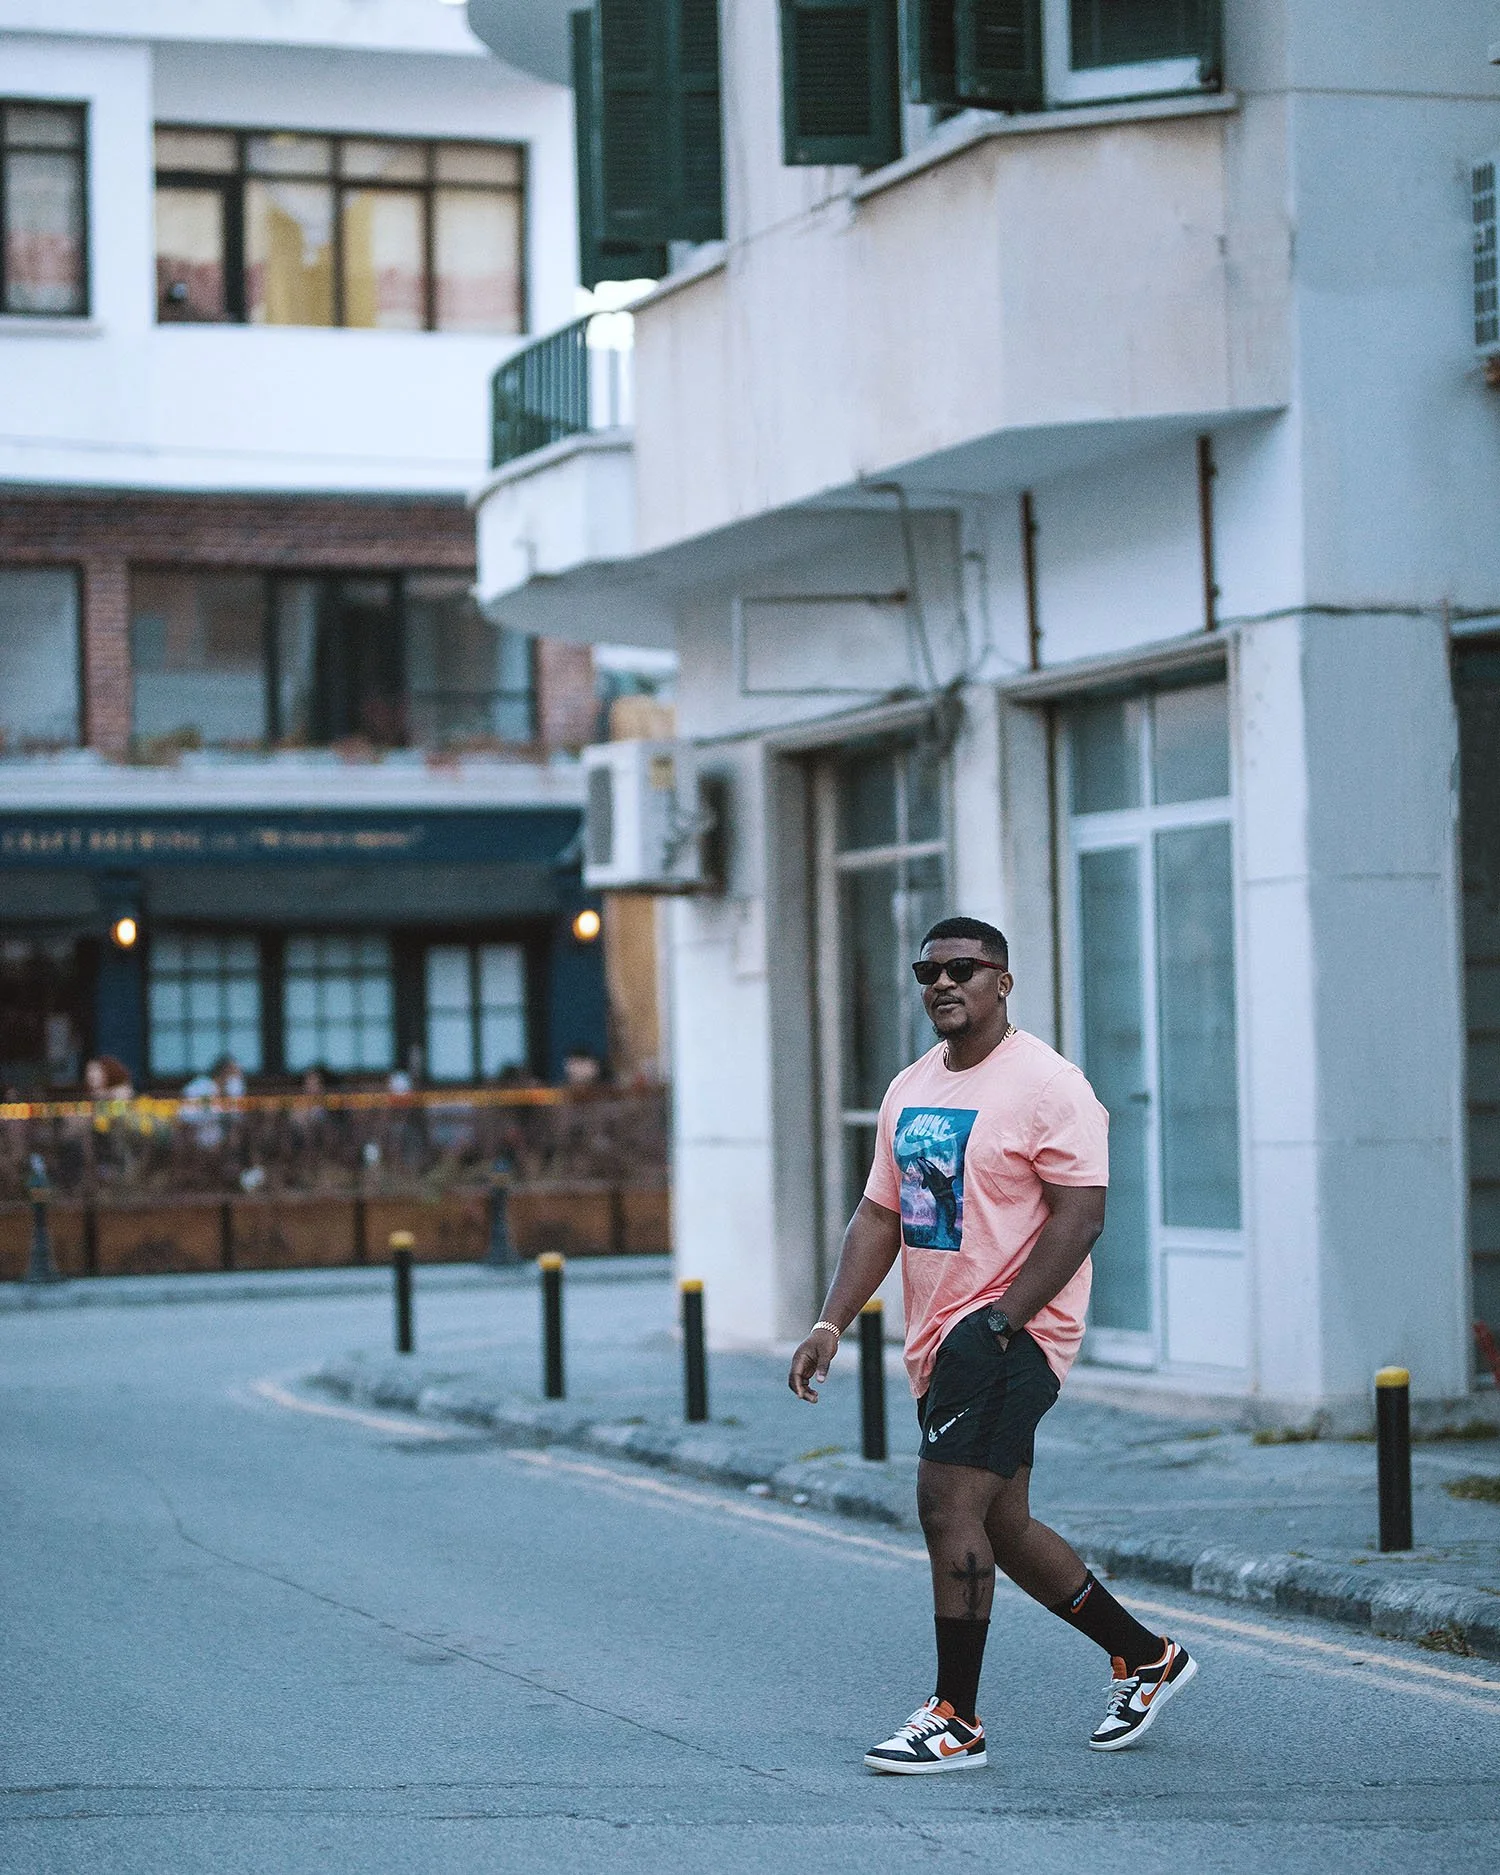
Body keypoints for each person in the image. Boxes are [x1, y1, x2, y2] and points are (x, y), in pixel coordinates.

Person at [788, 916, 1197, 1773]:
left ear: (1001, 981)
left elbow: (1082, 1213)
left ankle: (956, 1717)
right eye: (928, 969)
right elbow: (880, 1214)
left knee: (946, 1505)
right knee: (999, 1520)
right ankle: (1146, 1655)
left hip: (1011, 1333)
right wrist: (831, 1321)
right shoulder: (910, 1088)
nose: (943, 982)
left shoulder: (1050, 1085)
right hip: (940, 1336)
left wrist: (1006, 1319)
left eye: (963, 968)